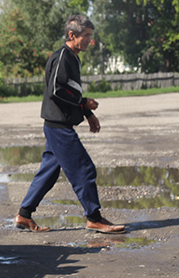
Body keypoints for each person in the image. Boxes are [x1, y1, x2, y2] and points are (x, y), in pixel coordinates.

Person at [14, 14, 126, 234]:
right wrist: (84, 102)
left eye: (90, 36)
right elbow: (57, 90)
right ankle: (94, 218)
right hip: (58, 127)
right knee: (84, 169)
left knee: (49, 172)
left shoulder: (72, 57)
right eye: (86, 36)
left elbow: (71, 89)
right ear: (72, 35)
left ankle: (24, 215)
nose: (89, 41)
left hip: (58, 125)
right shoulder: (62, 57)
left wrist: (86, 113)